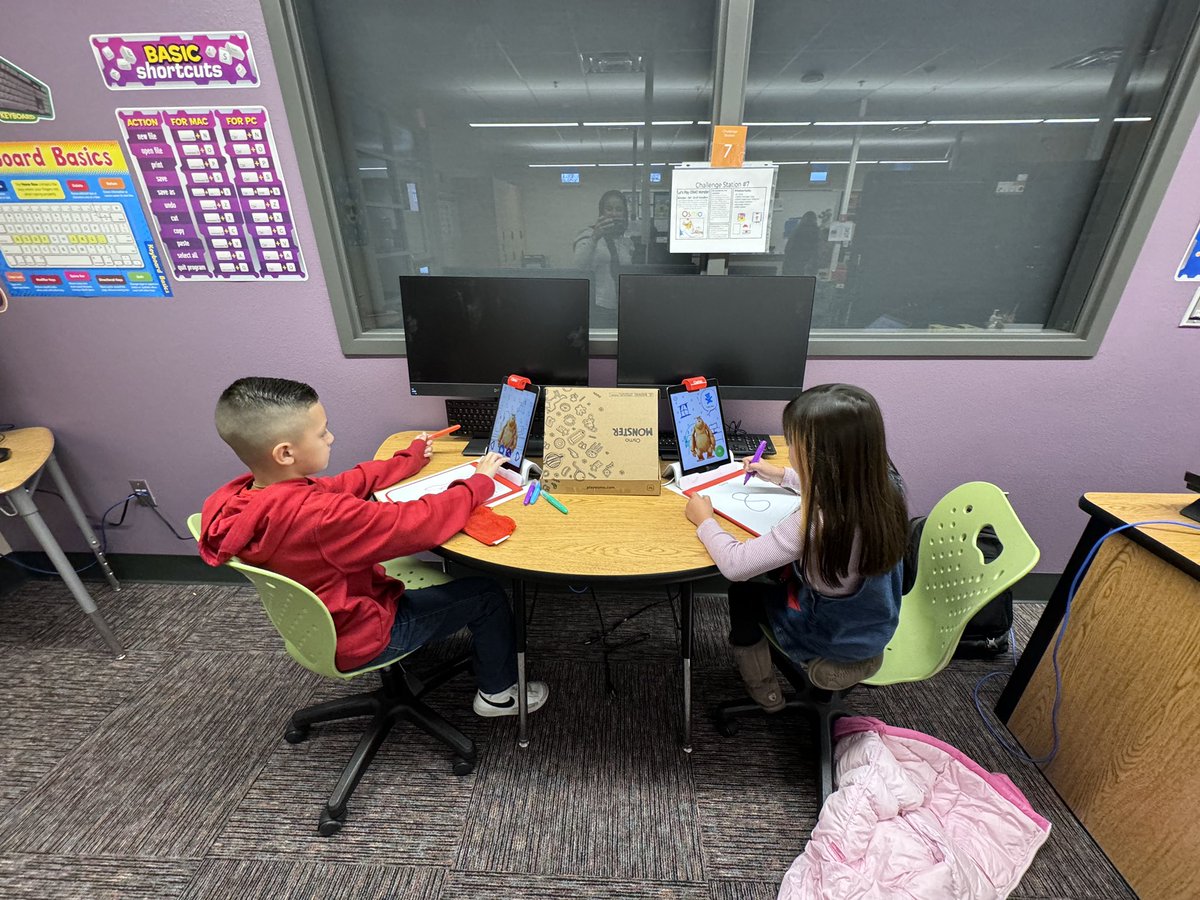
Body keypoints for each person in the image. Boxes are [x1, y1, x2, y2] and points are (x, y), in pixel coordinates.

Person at [197, 376, 549, 717]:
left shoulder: (242, 498)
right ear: (286, 453)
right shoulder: (320, 518)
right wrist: (477, 483)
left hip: (321, 621)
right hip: (364, 632)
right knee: (486, 594)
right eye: (322, 433)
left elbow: (341, 485)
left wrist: (408, 460)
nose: (331, 437)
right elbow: (419, 525)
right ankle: (498, 695)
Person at [683, 383, 908, 709]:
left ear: (817, 454)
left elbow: (735, 565)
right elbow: (839, 481)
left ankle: (763, 687)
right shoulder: (885, 484)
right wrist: (782, 475)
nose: (789, 450)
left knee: (743, 594)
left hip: (830, 638)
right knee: (777, 573)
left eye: (793, 444)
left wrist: (704, 519)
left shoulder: (819, 520)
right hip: (874, 626)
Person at [573, 190, 634, 328]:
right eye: (609, 208)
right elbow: (578, 266)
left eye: (619, 209)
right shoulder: (588, 235)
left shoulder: (625, 242)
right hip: (598, 306)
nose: (613, 213)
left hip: (623, 305)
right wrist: (595, 237)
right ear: (601, 211)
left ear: (624, 214)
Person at [781, 211, 820, 277]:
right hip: (805, 265)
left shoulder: (796, 230)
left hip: (791, 264)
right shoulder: (815, 232)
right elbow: (816, 251)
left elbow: (787, 248)